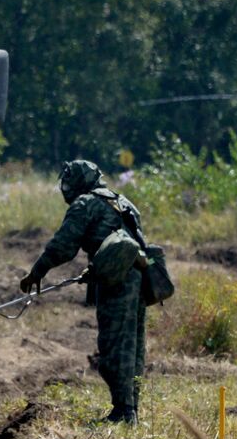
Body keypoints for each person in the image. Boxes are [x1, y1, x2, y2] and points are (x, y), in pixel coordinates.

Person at [20, 160, 147, 424]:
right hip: (137, 278)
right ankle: (130, 409)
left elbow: (63, 246)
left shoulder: (84, 204)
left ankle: (124, 412)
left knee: (114, 345)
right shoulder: (122, 202)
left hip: (116, 281)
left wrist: (37, 272)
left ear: (79, 182)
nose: (66, 187)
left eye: (69, 181)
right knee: (133, 344)